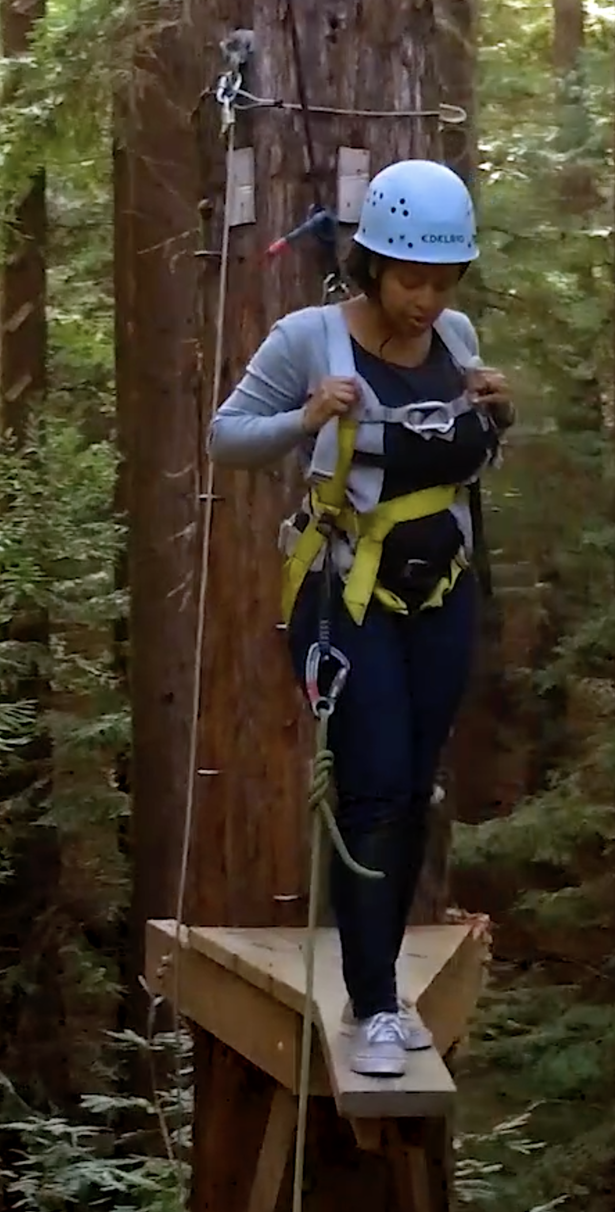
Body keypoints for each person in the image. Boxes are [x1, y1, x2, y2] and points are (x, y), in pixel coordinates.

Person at [206, 159, 511, 1078]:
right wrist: (305, 418)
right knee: (374, 785)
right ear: (372, 263)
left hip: (441, 595)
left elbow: (462, 460)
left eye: (443, 279)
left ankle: (380, 985)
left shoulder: (454, 336)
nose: (427, 299)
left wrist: (502, 414)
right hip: (344, 595)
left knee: (413, 784)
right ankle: (374, 1004)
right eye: (412, 279)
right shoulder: (310, 340)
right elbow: (225, 437)